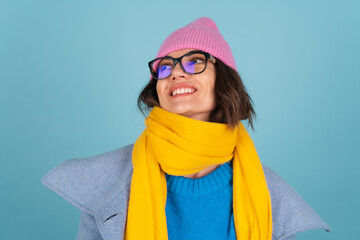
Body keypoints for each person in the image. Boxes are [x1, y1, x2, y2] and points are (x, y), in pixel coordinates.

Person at [42, 17, 330, 240]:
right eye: (165, 67)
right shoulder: (108, 186)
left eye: (195, 62)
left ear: (224, 81)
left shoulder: (267, 193)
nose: (177, 72)